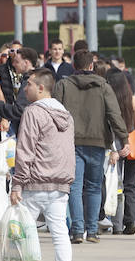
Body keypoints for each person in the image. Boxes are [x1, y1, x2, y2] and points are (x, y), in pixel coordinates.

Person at [0, 70, 76, 261]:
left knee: (19, 231)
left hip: (36, 182)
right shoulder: (64, 113)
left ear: (41, 88)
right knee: (60, 233)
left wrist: (17, 184)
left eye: (29, 85)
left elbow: (25, 151)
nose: (25, 89)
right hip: (60, 182)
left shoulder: (33, 112)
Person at [54, 50, 129, 243]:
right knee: (95, 186)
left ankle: (78, 231)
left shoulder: (63, 85)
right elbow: (114, 113)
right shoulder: (103, 86)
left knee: (75, 187)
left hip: (71, 142)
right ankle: (93, 230)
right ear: (91, 66)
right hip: (97, 142)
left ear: (74, 66)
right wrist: (124, 138)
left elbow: (54, 113)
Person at [105, 69, 135, 235]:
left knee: (116, 185)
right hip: (133, 143)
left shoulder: (109, 101)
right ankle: (132, 220)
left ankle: (117, 224)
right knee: (131, 185)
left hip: (116, 143)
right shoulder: (133, 99)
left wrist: (113, 148)